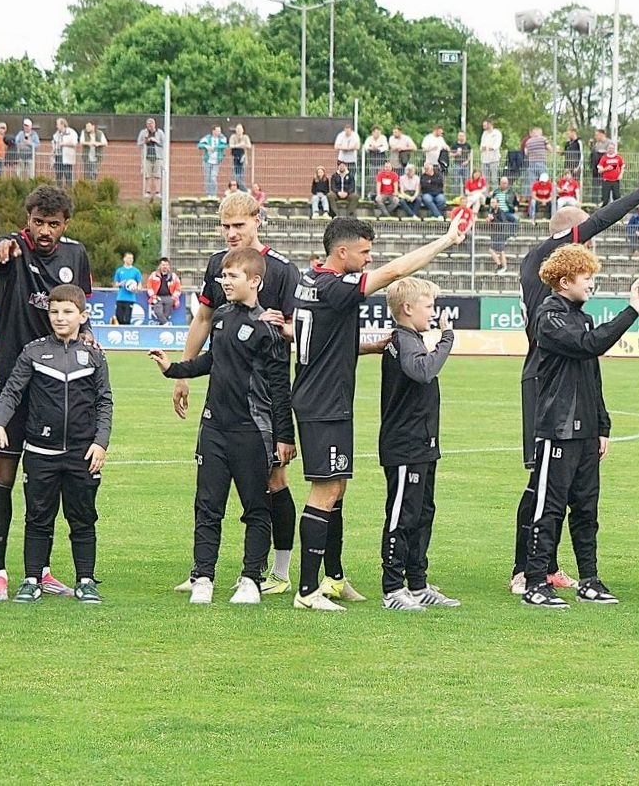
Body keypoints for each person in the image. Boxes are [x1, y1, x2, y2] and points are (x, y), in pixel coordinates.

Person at [291, 214, 466, 611]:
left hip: (323, 399)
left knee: (337, 489)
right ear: (342, 252)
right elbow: (395, 272)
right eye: (364, 252)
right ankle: (307, 591)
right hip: (324, 403)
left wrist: (367, 346)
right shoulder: (335, 286)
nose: (369, 259)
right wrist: (445, 240)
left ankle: (332, 578)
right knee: (326, 490)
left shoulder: (310, 280)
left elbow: (319, 336)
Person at [506, 169, 639, 596]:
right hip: (546, 377)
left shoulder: (550, 282)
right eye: (585, 243)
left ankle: (547, 566)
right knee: (542, 482)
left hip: (561, 373)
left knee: (563, 484)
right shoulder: (546, 261)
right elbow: (599, 220)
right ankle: (526, 569)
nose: (590, 252)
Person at [169, 191, 300, 591]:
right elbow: (204, 319)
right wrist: (183, 373)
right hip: (224, 395)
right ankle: (202, 572)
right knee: (211, 492)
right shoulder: (217, 265)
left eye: (238, 225)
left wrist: (281, 327)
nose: (230, 233)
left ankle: (279, 571)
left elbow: (298, 329)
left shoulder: (282, 270)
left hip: (263, 397)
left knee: (274, 481)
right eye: (225, 226)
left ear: (258, 220)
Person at [148, 247, 292, 605]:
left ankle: (250, 579)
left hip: (251, 432)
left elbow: (279, 387)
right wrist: (173, 369)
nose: (225, 281)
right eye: (223, 275)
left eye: (232, 276)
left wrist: (285, 436)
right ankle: (203, 577)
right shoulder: (222, 316)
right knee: (207, 506)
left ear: (254, 281)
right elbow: (213, 360)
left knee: (256, 508)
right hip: (213, 428)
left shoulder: (268, 328)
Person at [0, 185, 93, 600]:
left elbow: (81, 309)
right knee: (3, 472)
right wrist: (2, 247)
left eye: (53, 224)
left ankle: (40, 570)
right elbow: (0, 249)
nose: (44, 231)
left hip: (57, 386)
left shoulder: (76, 255)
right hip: (12, 380)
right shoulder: (13, 249)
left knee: (45, 480)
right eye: (38, 222)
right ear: (27, 220)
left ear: (66, 224)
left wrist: (88, 336)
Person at [519, 245, 639, 609]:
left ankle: (589, 579)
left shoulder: (581, 317)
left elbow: (592, 375)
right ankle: (535, 582)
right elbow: (589, 345)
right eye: (586, 277)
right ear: (565, 281)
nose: (591, 284)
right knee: (548, 508)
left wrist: (602, 425)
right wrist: (631, 312)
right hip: (557, 429)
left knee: (587, 509)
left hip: (586, 430)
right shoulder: (548, 317)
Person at [0, 285, 111, 604]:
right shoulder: (33, 352)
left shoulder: (94, 355)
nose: (60, 317)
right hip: (40, 452)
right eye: (54, 311)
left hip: (82, 453)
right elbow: (12, 391)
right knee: (38, 518)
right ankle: (32, 579)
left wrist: (100, 443)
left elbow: (104, 402)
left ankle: (86, 580)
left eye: (68, 311)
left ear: (83, 316)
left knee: (83, 518)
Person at [374, 277, 459, 612]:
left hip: (422, 443)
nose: (433, 313)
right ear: (408, 308)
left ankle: (418, 584)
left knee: (422, 513)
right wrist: (447, 338)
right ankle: (393, 588)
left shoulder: (412, 339)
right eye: (429, 306)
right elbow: (423, 371)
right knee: (402, 515)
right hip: (405, 446)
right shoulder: (405, 341)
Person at [146, 257, 182, 326]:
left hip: (169, 297)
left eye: (166, 265)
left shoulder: (173, 276)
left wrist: (174, 297)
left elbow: (178, 288)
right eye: (163, 265)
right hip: (157, 297)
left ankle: (162, 324)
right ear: (160, 266)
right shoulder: (153, 275)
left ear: (169, 266)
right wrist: (153, 296)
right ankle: (166, 323)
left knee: (167, 313)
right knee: (158, 311)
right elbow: (149, 286)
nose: (165, 267)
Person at [112, 252, 143, 325]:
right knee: (119, 318)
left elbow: (139, 285)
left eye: (132, 258)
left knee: (127, 319)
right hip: (120, 298)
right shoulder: (119, 270)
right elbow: (115, 284)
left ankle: (126, 330)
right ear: (124, 259)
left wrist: (136, 289)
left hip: (130, 299)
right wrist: (120, 284)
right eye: (129, 258)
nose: (130, 260)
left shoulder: (136, 271)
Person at [136, 118, 163, 198]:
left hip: (158, 157)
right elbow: (139, 143)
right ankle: (147, 191)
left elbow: (164, 143)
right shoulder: (143, 132)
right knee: (147, 175)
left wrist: (156, 141)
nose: (150, 126)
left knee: (158, 175)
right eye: (148, 124)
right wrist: (145, 141)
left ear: (154, 124)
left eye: (151, 124)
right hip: (147, 157)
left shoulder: (159, 132)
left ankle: (158, 192)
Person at [197, 126, 227, 197]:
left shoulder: (222, 138)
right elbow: (199, 145)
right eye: (218, 131)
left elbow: (224, 146)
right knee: (207, 178)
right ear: (213, 131)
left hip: (216, 161)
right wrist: (206, 146)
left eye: (220, 131)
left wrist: (215, 147)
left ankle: (213, 194)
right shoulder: (207, 138)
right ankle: (208, 194)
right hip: (207, 161)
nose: (219, 132)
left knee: (213, 177)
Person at [50, 118, 79, 186]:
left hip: (67, 157)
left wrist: (64, 144)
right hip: (58, 157)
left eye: (58, 124)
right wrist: (52, 157)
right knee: (58, 176)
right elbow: (54, 145)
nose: (56, 126)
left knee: (68, 176)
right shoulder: (56, 134)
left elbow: (74, 143)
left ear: (62, 124)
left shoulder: (71, 132)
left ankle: (68, 190)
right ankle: (58, 190)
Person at [228, 124, 253, 189]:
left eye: (240, 129)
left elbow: (249, 146)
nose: (239, 131)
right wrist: (239, 145)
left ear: (243, 130)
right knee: (235, 174)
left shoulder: (246, 137)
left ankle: (241, 188)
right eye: (237, 129)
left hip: (243, 158)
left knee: (242, 174)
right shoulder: (233, 136)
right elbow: (230, 145)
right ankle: (242, 188)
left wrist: (243, 145)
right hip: (234, 158)